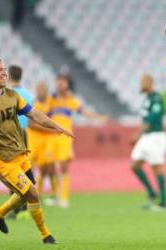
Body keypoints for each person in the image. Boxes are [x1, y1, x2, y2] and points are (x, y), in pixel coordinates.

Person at [0, 57, 73, 244]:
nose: (4, 73)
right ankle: (46, 235)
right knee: (32, 193)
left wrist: (55, 125)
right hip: (2, 159)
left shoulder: (12, 95)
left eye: (5, 69)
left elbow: (34, 113)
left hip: (21, 154)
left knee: (24, 196)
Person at [50, 74, 108, 208]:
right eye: (58, 81)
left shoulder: (71, 100)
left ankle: (63, 197)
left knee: (63, 166)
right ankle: (55, 195)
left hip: (64, 137)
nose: (60, 84)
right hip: (50, 136)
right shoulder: (50, 98)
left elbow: (83, 111)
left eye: (63, 82)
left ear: (67, 84)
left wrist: (98, 117)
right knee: (50, 167)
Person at [130, 74, 166, 210]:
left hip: (156, 136)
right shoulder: (146, 98)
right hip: (146, 137)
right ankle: (152, 193)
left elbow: (153, 118)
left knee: (156, 167)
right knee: (135, 166)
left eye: (143, 81)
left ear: (150, 82)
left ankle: (163, 201)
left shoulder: (157, 98)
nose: (141, 84)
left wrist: (137, 134)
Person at [8, 65, 33, 218]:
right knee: (25, 168)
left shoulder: (7, 94)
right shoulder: (28, 95)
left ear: (9, 76)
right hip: (24, 134)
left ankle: (16, 206)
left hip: (10, 134)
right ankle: (29, 201)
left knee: (11, 170)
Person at [26, 81, 58, 204]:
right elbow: (32, 124)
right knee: (31, 167)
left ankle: (53, 195)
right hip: (34, 140)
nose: (40, 91)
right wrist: (51, 128)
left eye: (42, 89)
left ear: (47, 90)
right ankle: (33, 195)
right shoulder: (34, 103)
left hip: (47, 141)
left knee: (49, 167)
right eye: (38, 89)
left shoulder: (52, 102)